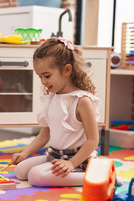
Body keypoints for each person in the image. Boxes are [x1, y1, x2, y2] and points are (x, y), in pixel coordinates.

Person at [11, 37, 100, 187]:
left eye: (47, 76)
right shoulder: (50, 99)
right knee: (20, 171)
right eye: (40, 77)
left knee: (35, 176)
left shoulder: (82, 101)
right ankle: (57, 171)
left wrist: (72, 163)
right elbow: (43, 136)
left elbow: (93, 140)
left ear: (67, 70)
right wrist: (24, 153)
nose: (43, 82)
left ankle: (93, 177)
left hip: (78, 159)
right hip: (54, 155)